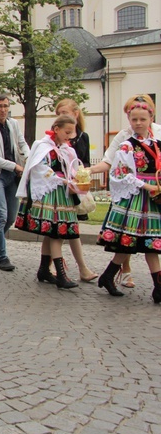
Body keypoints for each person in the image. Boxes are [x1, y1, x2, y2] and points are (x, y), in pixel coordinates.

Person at [95, 95, 161, 303]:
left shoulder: (158, 143)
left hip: (152, 198)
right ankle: (110, 275)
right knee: (130, 240)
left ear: (151, 118)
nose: (138, 123)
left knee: (151, 242)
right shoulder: (127, 145)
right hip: (136, 197)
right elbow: (121, 172)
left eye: (142, 119)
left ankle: (157, 287)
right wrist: (146, 185)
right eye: (134, 120)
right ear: (129, 121)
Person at [14, 115, 81, 289]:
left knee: (53, 232)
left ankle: (44, 269)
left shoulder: (64, 149)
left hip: (61, 194)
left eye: (71, 133)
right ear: (56, 129)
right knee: (56, 233)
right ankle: (60, 275)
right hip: (50, 193)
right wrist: (61, 180)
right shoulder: (43, 146)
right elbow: (39, 168)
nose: (69, 136)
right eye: (67, 132)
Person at [0, 94, 30, 271]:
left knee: (10, 217)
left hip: (12, 177)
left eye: (6, 106)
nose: (3, 109)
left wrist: (29, 158)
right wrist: (16, 166)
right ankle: (2, 256)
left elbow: (22, 144)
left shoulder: (13, 124)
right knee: (1, 215)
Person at [54, 98, 98, 282]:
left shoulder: (82, 136)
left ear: (75, 114)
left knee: (71, 229)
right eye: (58, 114)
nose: (61, 117)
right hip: (61, 188)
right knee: (57, 230)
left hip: (75, 187)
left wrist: (82, 173)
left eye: (64, 113)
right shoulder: (54, 137)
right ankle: (53, 266)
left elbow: (85, 161)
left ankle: (81, 267)